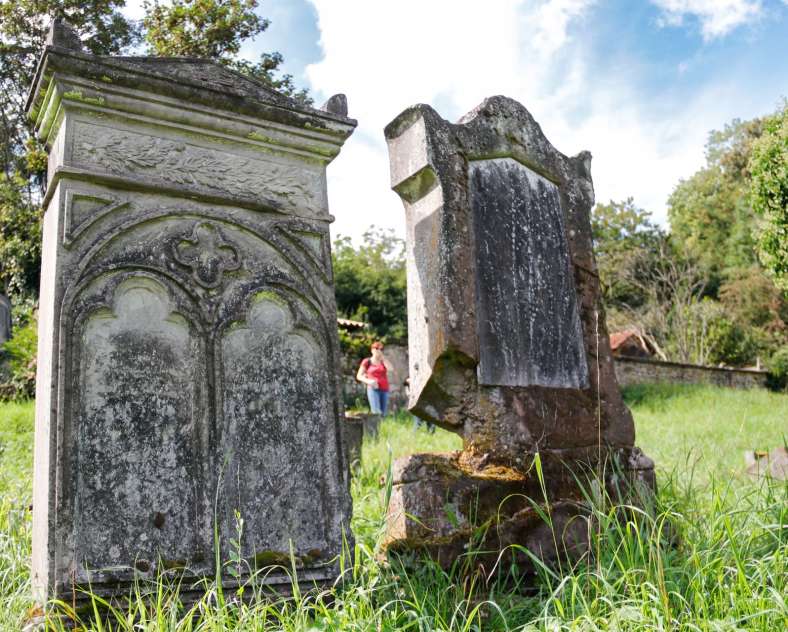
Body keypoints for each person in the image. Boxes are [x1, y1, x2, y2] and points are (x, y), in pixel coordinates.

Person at [356, 341, 393, 417]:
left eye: (381, 349)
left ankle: (382, 428)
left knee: (383, 413)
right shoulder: (367, 361)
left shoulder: (383, 361)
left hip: (384, 389)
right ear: (372, 350)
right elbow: (359, 376)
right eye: (376, 348)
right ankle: (375, 428)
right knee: (376, 412)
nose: (378, 350)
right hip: (373, 389)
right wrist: (369, 381)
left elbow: (391, 369)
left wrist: (383, 358)